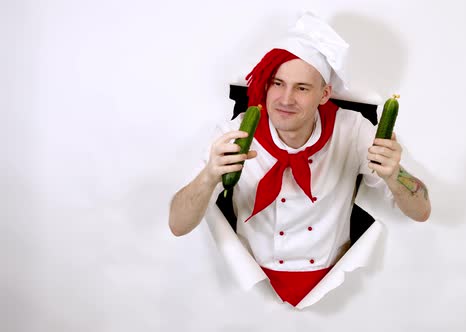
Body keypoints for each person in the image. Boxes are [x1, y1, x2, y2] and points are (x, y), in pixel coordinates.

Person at [168, 12, 430, 307]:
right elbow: (178, 225)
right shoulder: (235, 134)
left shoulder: (353, 130)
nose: (285, 99)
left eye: (302, 88)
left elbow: (421, 211)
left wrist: (396, 175)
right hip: (249, 287)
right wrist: (209, 176)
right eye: (277, 83)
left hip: (337, 289)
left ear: (324, 94)